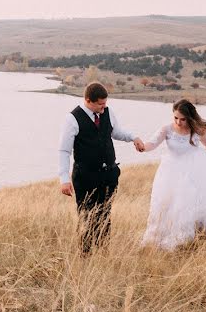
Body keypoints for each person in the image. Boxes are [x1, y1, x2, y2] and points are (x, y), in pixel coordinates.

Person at [138, 99, 206, 251]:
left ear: (189, 118)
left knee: (187, 205)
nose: (178, 121)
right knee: (167, 205)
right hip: (170, 173)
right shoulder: (167, 129)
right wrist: (143, 147)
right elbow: (152, 143)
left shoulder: (197, 129)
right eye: (175, 118)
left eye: (182, 119)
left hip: (192, 173)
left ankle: (188, 239)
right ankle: (165, 241)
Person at [59, 82, 145, 255]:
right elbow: (64, 150)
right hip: (85, 177)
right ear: (88, 101)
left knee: (105, 215)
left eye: (105, 103)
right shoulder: (72, 119)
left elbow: (116, 131)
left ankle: (103, 252)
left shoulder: (107, 112)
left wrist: (133, 137)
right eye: (100, 104)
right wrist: (64, 179)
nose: (104, 107)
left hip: (108, 176)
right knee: (86, 215)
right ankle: (86, 255)